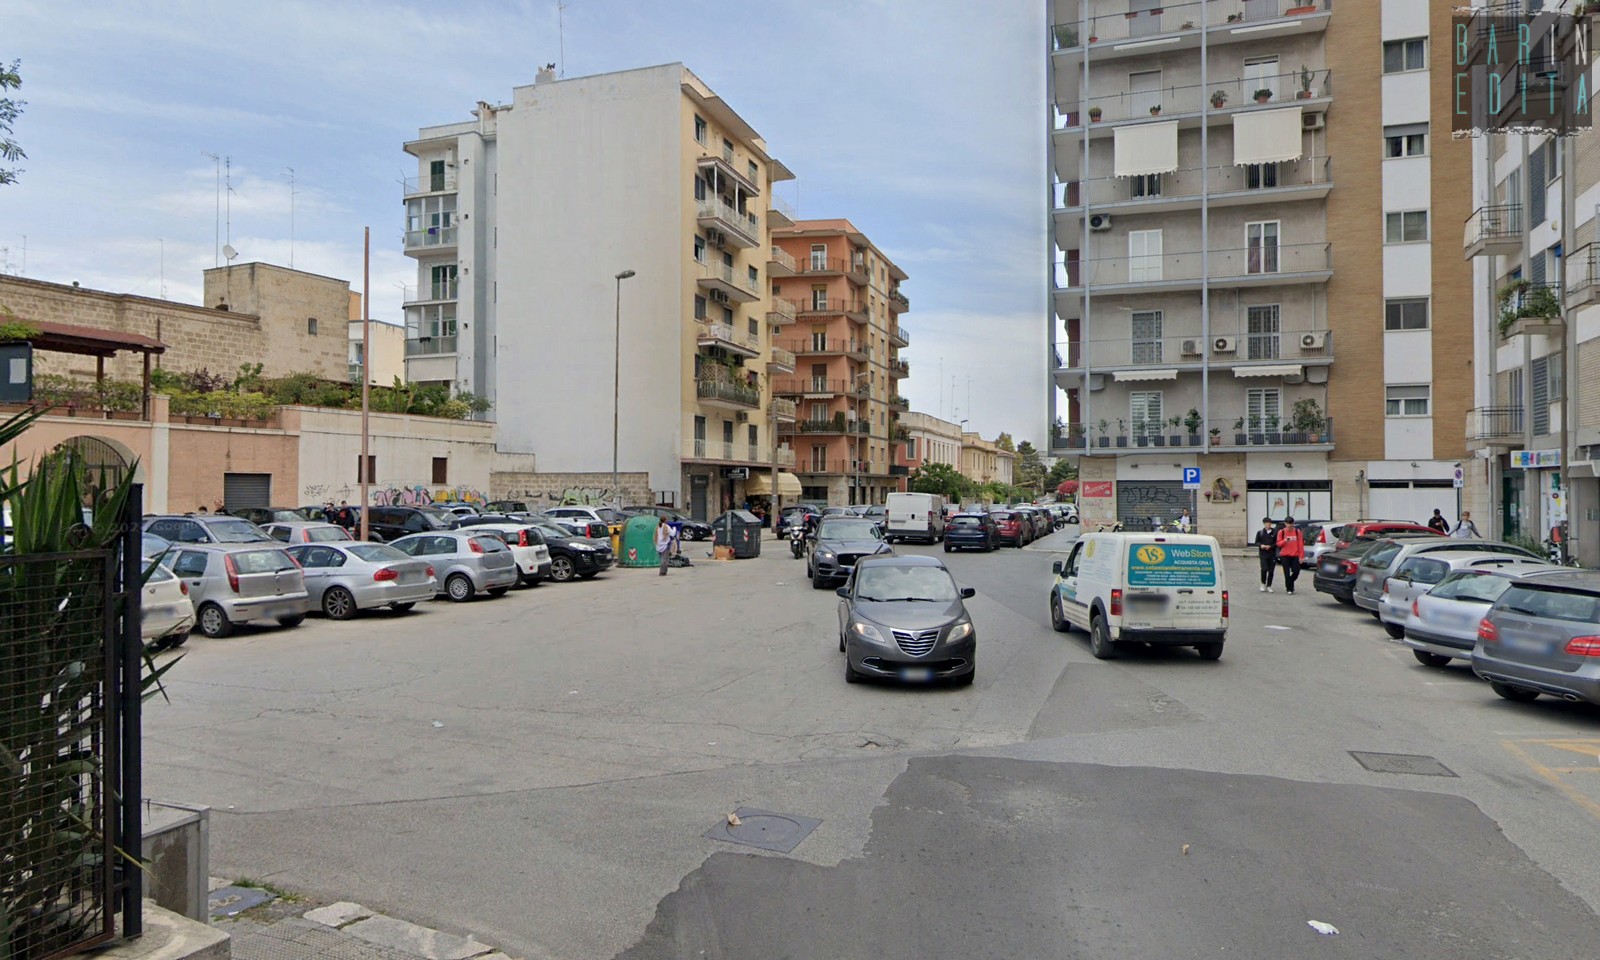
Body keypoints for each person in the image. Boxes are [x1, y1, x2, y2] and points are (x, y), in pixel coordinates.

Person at [1275, 516, 1305, 594]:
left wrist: (1301, 556)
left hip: (1295, 554)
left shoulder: (1297, 532)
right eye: (1287, 524)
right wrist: (1285, 540)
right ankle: (1289, 588)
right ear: (1285, 524)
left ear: (1293, 524)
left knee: (1296, 571)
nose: (1289, 525)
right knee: (1286, 572)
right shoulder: (1281, 532)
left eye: (1290, 524)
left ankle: (1290, 582)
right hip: (1285, 555)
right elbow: (1278, 544)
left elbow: (1300, 544)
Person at [1254, 517, 1279, 593]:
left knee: (1271, 570)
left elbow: (1277, 543)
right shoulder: (1260, 532)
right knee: (1264, 569)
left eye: (1270, 523)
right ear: (1264, 524)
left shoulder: (1275, 532)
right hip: (1263, 554)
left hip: (1272, 554)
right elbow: (1257, 542)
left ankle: (1269, 585)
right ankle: (1263, 583)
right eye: (1267, 523)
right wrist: (1261, 545)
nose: (1268, 524)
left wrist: (1270, 546)